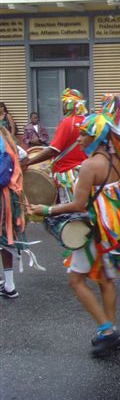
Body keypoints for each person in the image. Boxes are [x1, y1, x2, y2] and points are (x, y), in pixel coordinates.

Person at [30, 113, 120, 357]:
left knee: (76, 280)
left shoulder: (90, 165)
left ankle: (107, 330)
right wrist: (110, 196)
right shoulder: (116, 160)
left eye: (83, 134)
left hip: (92, 229)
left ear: (96, 136)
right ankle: (110, 335)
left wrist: (46, 209)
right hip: (110, 230)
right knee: (105, 280)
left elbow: (78, 205)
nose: (79, 139)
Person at [22, 89, 88, 203]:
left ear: (68, 104)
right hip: (85, 172)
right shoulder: (87, 121)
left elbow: (53, 150)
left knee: (69, 209)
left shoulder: (67, 123)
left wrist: (28, 162)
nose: (62, 106)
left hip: (69, 175)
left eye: (63, 103)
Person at [0, 126, 27, 298]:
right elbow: (23, 155)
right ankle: (9, 285)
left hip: (2, 194)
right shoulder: (4, 134)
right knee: (5, 238)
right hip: (8, 194)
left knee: (4, 238)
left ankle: (9, 286)